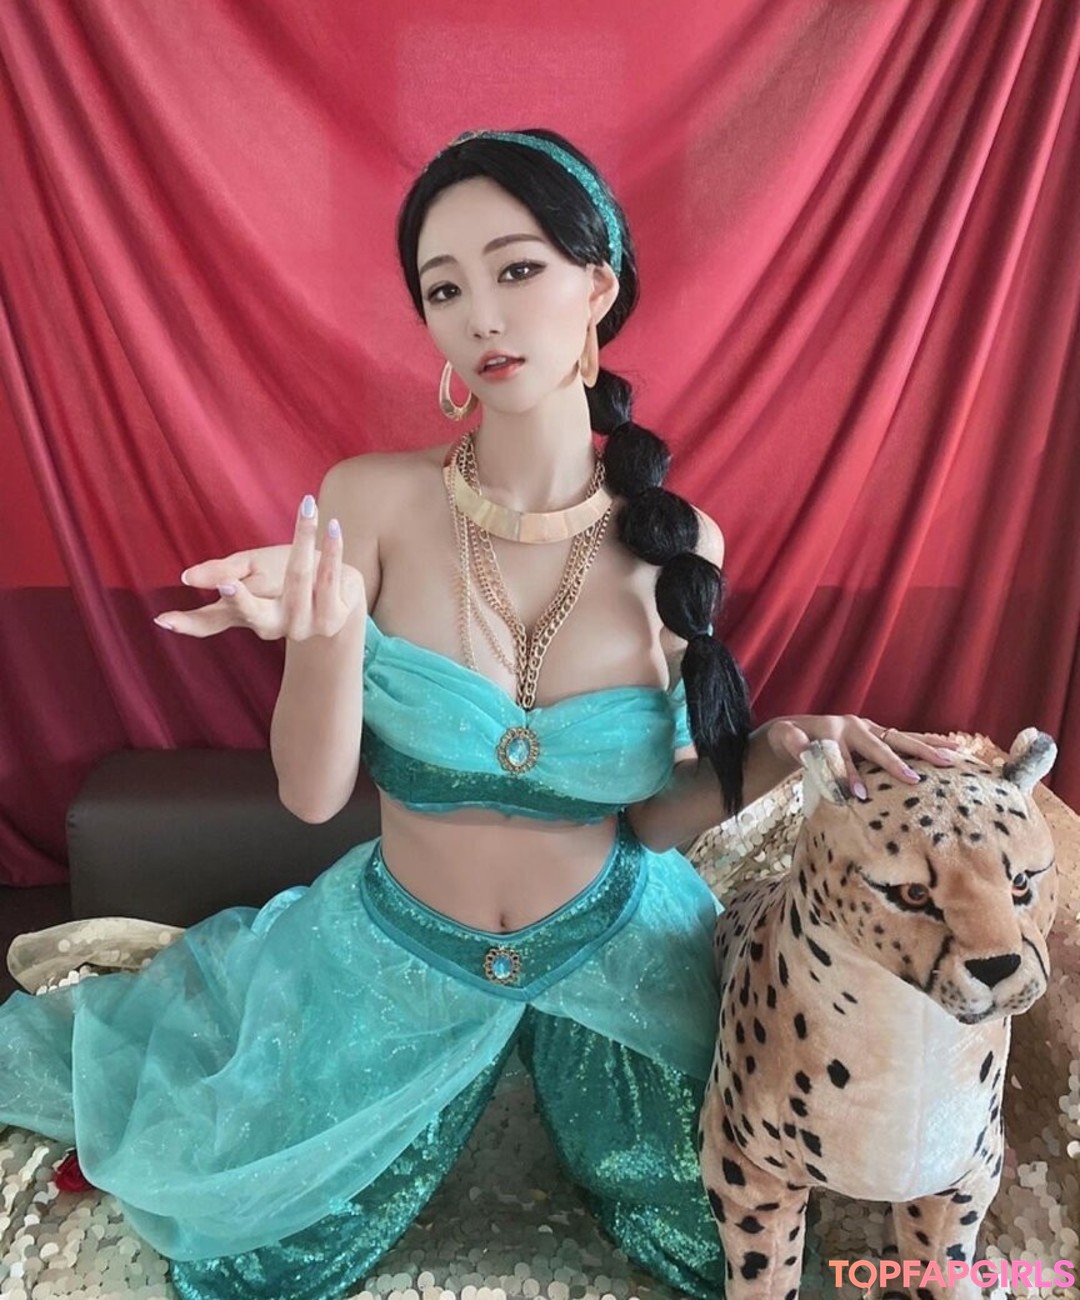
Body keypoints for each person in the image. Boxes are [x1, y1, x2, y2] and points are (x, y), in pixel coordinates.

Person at [0, 128, 960, 1300]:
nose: (481, 317)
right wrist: (326, 633)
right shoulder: (371, 499)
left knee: (732, 1247)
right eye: (444, 289)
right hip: (395, 954)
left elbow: (652, 821)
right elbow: (313, 793)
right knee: (254, 1250)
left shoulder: (680, 542)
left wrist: (769, 751)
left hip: (621, 959)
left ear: (597, 287)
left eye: (517, 270)